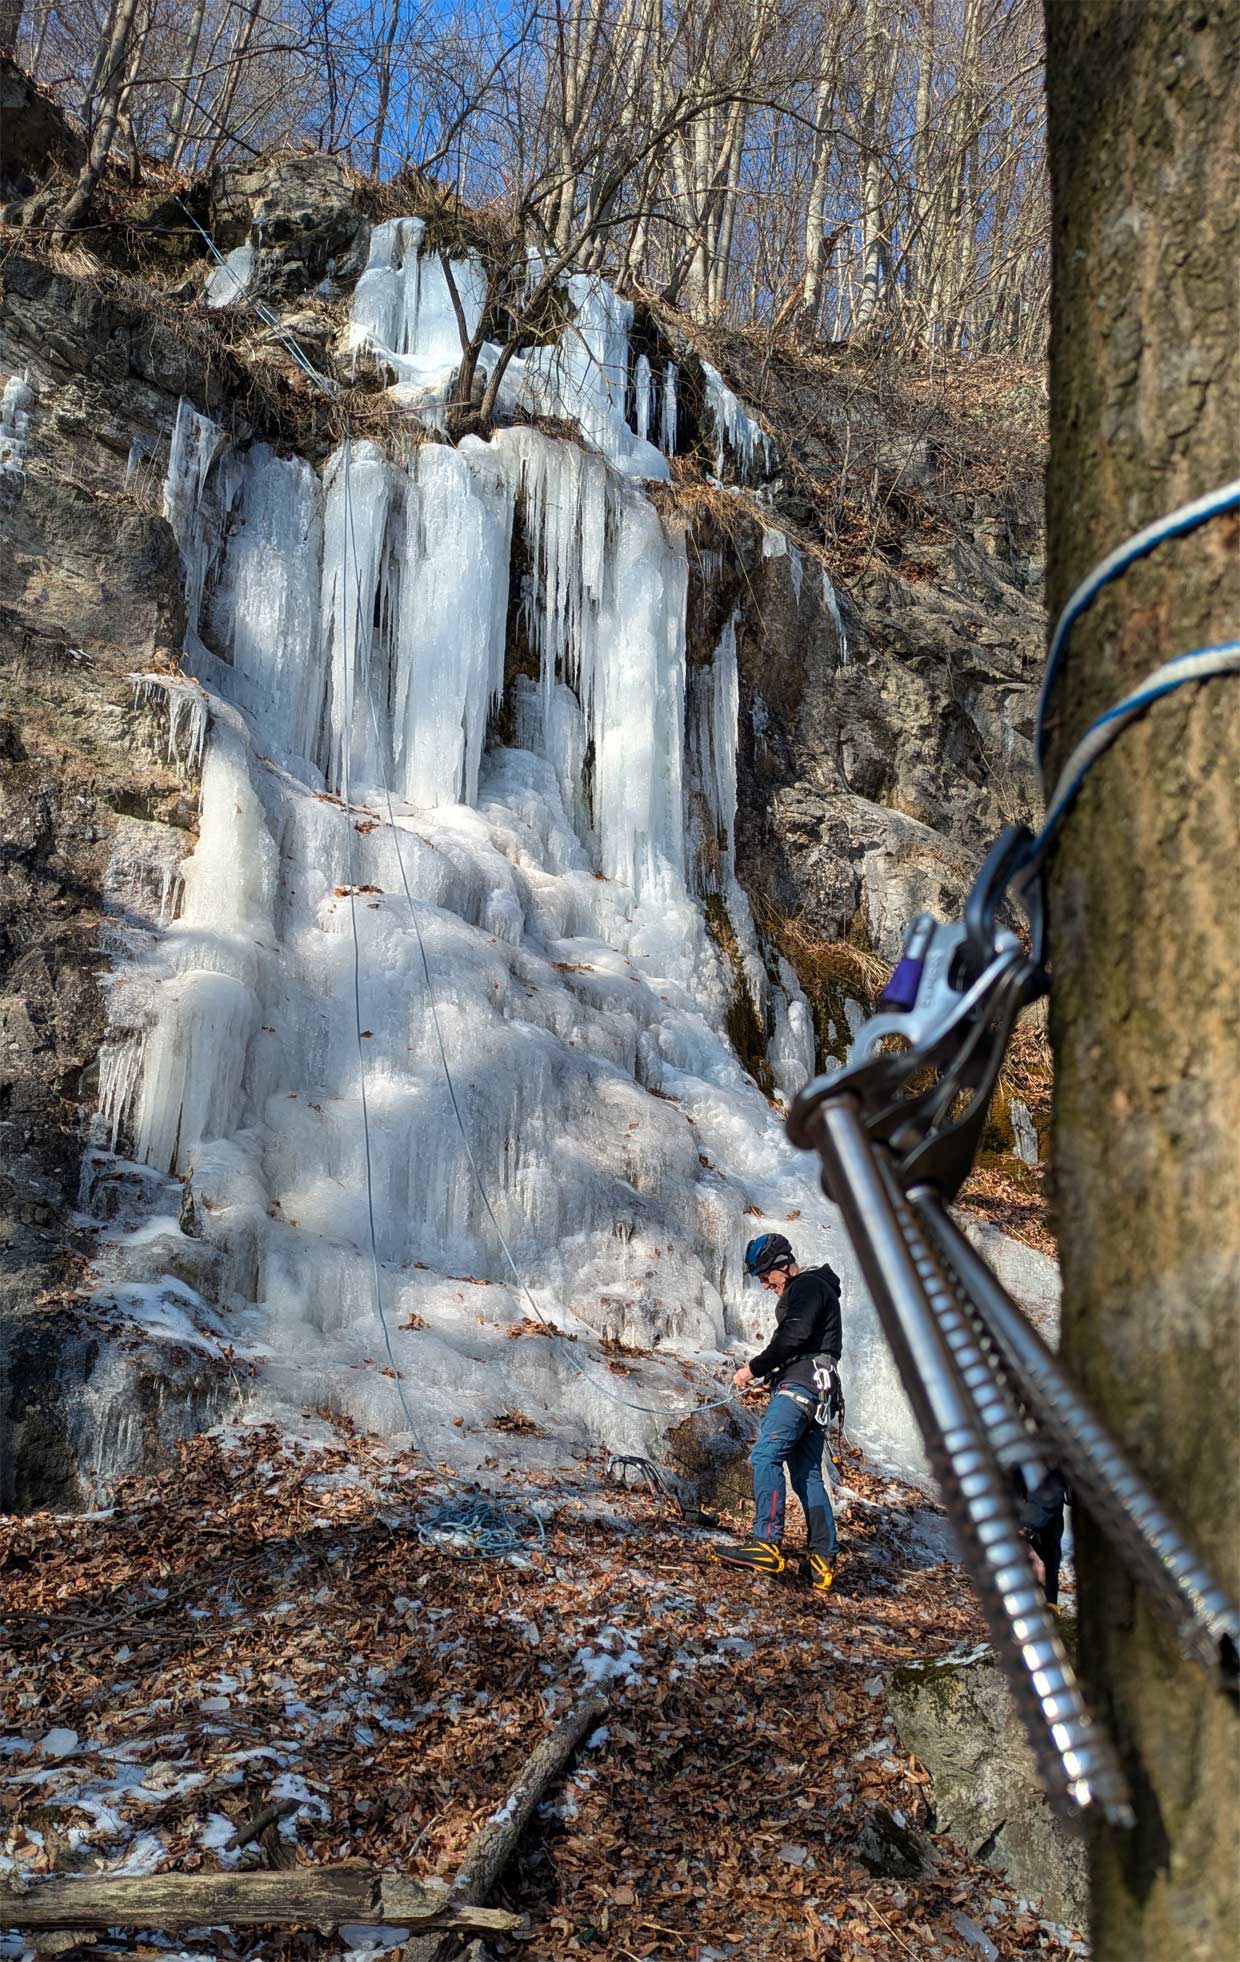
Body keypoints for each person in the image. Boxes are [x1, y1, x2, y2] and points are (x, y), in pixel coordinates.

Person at [716, 1232, 842, 1591]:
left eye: (765, 1276)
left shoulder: (807, 1286)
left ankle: (765, 1544)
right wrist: (773, 1376)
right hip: (821, 1390)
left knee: (765, 1455)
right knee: (806, 1474)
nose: (765, 1284)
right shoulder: (818, 1289)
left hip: (801, 1386)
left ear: (784, 1265)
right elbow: (807, 1344)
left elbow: (794, 1336)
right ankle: (822, 1559)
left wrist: (753, 1369)